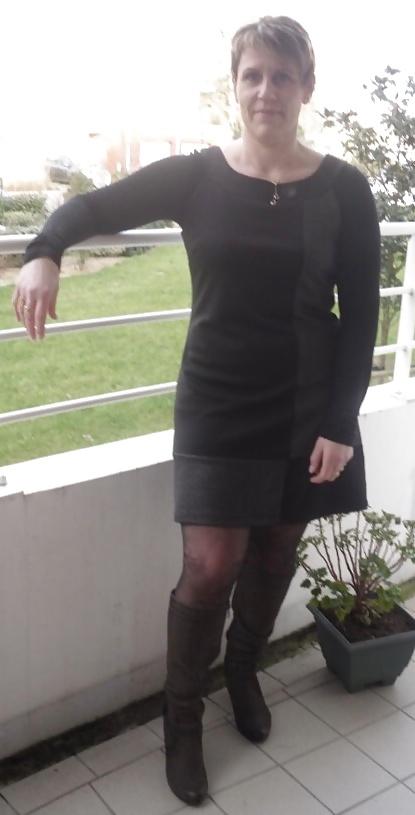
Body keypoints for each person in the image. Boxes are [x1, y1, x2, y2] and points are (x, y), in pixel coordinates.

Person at [13, 15, 380, 807]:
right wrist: (44, 250)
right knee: (211, 563)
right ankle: (182, 717)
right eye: (252, 75)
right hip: (218, 398)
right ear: (234, 85)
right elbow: (92, 206)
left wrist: (338, 420)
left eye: (282, 76)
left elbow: (358, 317)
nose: (266, 90)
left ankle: (242, 668)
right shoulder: (196, 177)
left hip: (307, 404)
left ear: (305, 88)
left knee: (276, 549)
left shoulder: (344, 188)